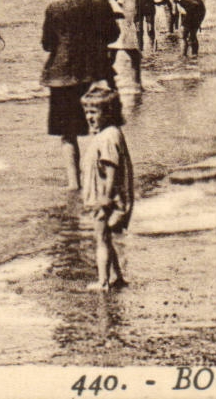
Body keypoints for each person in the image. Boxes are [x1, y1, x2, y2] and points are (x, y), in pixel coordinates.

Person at [39, 0, 120, 190]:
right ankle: (103, 179)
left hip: (63, 77)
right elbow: (113, 34)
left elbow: (47, 44)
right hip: (97, 71)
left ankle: (74, 183)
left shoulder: (54, 8)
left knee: (68, 133)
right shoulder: (99, 1)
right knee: (103, 127)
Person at [78, 82, 134, 290]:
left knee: (101, 238)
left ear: (109, 112)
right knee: (106, 239)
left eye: (94, 112)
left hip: (106, 198)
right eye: (86, 112)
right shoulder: (107, 134)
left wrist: (106, 197)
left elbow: (111, 168)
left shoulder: (108, 137)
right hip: (105, 196)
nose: (89, 117)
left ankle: (103, 281)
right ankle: (117, 276)